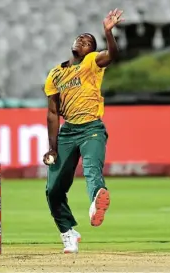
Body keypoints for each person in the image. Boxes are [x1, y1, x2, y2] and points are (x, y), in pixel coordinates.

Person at [43, 9, 124, 253]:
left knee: (92, 169)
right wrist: (52, 147)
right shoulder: (55, 74)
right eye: (80, 38)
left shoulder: (91, 62)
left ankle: (95, 202)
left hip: (92, 128)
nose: (83, 41)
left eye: (89, 41)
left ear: (91, 50)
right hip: (68, 133)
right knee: (53, 189)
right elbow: (52, 113)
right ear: (72, 44)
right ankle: (68, 232)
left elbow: (112, 55)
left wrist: (108, 33)